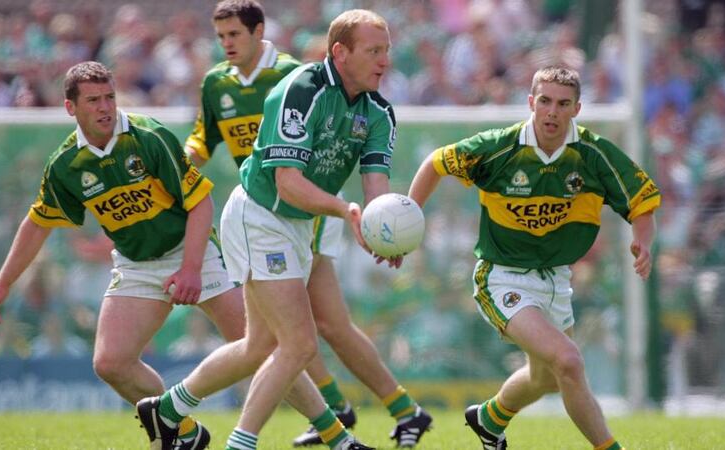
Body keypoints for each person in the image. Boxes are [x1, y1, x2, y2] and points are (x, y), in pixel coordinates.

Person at [138, 9, 431, 450]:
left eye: (386, 50)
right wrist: (344, 209)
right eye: (373, 51)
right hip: (259, 215)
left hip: (298, 224)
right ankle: (243, 443)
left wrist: (381, 232)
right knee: (298, 344)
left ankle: (167, 408)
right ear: (340, 52)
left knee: (258, 347)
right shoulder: (300, 89)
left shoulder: (379, 113)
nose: (384, 60)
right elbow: (287, 182)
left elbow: (376, 192)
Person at [0, 60, 250, 450]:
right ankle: (184, 432)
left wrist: (191, 269)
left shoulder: (148, 136)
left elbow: (201, 203)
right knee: (110, 363)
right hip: (136, 264)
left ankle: (332, 433)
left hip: (193, 251)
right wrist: (2, 285)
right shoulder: (66, 164)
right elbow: (37, 224)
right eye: (93, 100)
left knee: (258, 345)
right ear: (71, 108)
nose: (104, 107)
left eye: (109, 97)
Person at [408, 65, 661, 450]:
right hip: (501, 277)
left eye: (563, 104)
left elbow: (641, 202)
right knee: (570, 362)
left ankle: (489, 419)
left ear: (577, 108)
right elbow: (436, 163)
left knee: (545, 378)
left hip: (557, 280)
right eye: (544, 101)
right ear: (531, 102)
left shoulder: (592, 154)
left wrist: (643, 240)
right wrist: (410, 216)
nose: (552, 112)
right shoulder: (499, 148)